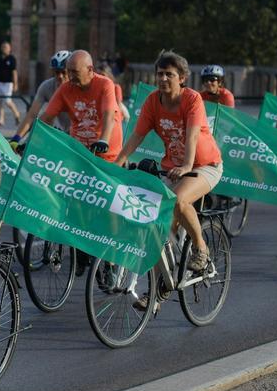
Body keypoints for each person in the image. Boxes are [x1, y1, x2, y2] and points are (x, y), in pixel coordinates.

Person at [115, 51, 224, 308]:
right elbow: (137, 135)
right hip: (173, 168)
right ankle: (158, 291)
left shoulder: (192, 99)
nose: (163, 78)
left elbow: (193, 135)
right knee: (157, 228)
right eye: (160, 74)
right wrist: (119, 160)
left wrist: (187, 164)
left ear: (182, 78)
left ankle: (201, 250)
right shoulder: (154, 102)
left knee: (178, 202)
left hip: (204, 166)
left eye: (170, 74)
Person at [39, 50, 123, 162]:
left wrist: (104, 141)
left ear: (90, 69)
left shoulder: (105, 84)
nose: (70, 76)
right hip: (78, 155)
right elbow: (46, 117)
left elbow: (109, 115)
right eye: (68, 71)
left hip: (107, 156)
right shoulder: (65, 89)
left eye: (74, 72)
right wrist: (30, 140)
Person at [11, 50, 71, 142]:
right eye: (57, 72)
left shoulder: (78, 87)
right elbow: (31, 115)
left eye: (64, 72)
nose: (60, 76)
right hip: (62, 133)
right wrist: (16, 139)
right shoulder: (47, 86)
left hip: (80, 134)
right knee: (45, 120)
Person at [0, 41, 21, 126]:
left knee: (8, 101)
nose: (4, 48)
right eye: (3, 47)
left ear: (10, 48)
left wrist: (15, 84)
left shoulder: (12, 59)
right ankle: (1, 119)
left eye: (6, 47)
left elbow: (14, 72)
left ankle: (17, 115)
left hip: (8, 83)